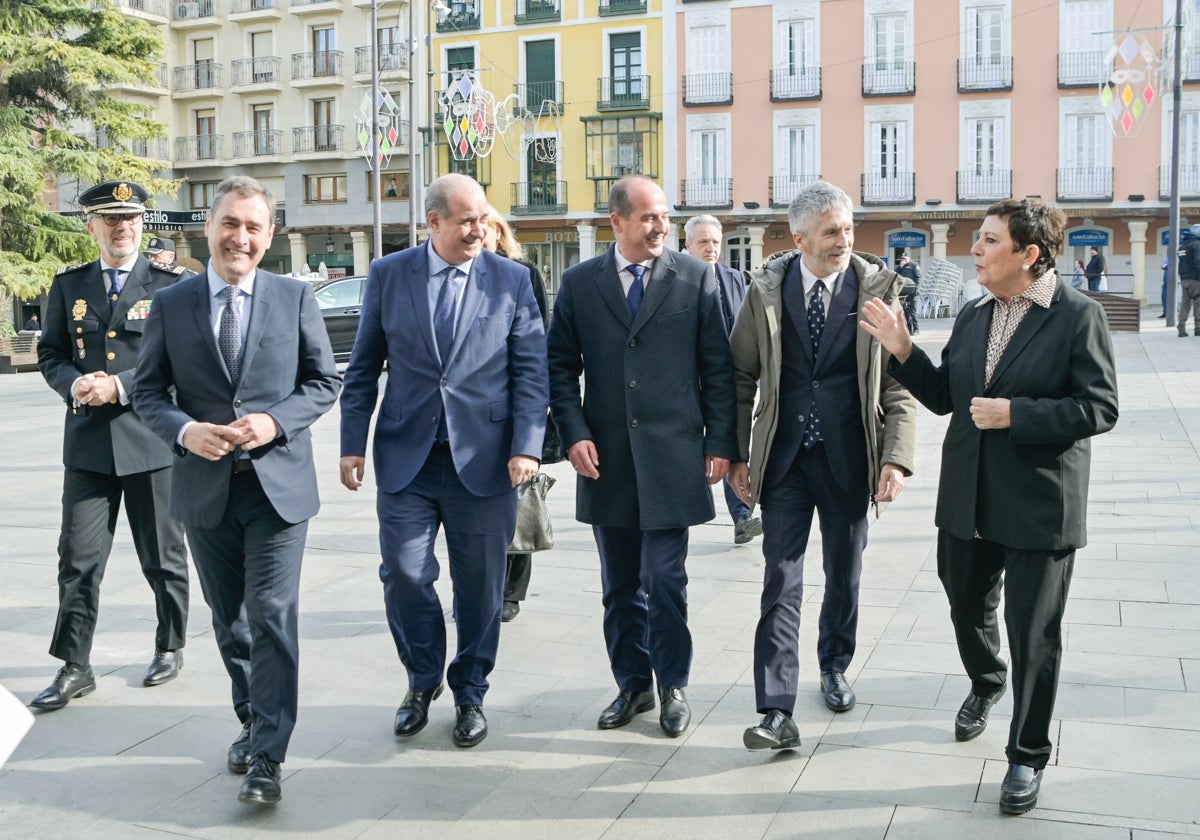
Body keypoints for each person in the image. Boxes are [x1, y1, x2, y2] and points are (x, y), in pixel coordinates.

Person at [860, 197, 1119, 815]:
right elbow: (947, 397)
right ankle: (986, 680)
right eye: (977, 238)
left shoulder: (1077, 315)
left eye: (989, 240)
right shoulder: (975, 314)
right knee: (964, 603)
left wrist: (1018, 415)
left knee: (1036, 634)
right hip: (968, 498)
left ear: (1029, 255)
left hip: (1038, 504)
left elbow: (1100, 407)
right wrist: (903, 350)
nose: (974, 249)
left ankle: (1027, 756)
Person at [132, 175, 341, 805]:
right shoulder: (173, 304)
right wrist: (185, 430)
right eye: (230, 224)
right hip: (205, 490)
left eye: (253, 227)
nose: (240, 238)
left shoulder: (294, 297)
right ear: (209, 227)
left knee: (273, 617)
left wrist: (274, 421)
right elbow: (147, 392)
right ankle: (252, 717)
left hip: (277, 491)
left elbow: (323, 382)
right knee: (231, 622)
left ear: (269, 235)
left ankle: (268, 757)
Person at [339, 173, 547, 749]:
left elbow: (531, 372)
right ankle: (422, 677)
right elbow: (362, 369)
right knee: (404, 574)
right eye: (465, 220)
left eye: (482, 217)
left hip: (485, 460)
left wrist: (527, 444)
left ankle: (471, 691)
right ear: (433, 222)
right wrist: (351, 442)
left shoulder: (512, 280)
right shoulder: (389, 275)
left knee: (481, 586)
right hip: (407, 457)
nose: (479, 229)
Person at [727, 181, 916, 752]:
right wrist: (738, 453)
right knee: (780, 582)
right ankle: (776, 710)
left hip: (849, 460)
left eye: (849, 229)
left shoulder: (878, 292)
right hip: (783, 461)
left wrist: (895, 460)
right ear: (799, 235)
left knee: (844, 574)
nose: (845, 241)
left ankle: (834, 664)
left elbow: (898, 388)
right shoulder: (764, 292)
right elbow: (739, 377)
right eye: (832, 231)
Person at [547, 174, 737, 738]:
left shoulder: (695, 279)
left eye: (665, 218)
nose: (661, 227)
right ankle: (631, 684)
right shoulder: (581, 284)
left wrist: (722, 443)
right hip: (605, 460)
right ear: (618, 222)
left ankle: (672, 683)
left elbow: (719, 371)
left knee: (665, 577)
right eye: (650, 217)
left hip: (675, 456)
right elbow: (559, 368)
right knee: (619, 584)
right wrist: (573, 430)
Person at [33, 180, 191, 712]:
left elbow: (182, 368)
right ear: (91, 226)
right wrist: (72, 384)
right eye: (109, 219)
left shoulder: (170, 286)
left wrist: (118, 386)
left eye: (129, 218)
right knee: (77, 559)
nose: (121, 227)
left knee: (163, 557)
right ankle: (74, 666)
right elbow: (52, 350)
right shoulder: (69, 285)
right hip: (88, 445)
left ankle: (170, 646)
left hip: (150, 441)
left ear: (143, 224)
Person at [482, 206, 560, 624]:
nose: (484, 234)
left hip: (517, 407)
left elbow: (537, 341)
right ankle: (481, 588)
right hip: (477, 415)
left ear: (500, 232)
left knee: (520, 500)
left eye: (492, 227)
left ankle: (511, 592)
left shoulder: (523, 273)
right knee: (482, 508)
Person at [683, 214, 762, 545]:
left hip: (727, 380)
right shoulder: (677, 282)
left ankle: (741, 515)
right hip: (687, 381)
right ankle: (678, 512)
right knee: (688, 447)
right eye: (703, 242)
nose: (711, 248)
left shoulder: (734, 278)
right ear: (687, 246)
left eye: (715, 241)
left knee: (730, 443)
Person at [1176, 223, 1200, 337]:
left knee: (1185, 304)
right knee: (1198, 304)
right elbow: (1198, 262)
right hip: (1195, 279)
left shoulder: (1182, 246)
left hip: (1184, 279)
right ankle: (1198, 328)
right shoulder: (1197, 244)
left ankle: (1181, 327)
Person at [895, 251, 921, 335]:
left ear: (909, 258)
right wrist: (900, 266)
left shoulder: (914, 265)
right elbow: (894, 274)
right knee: (905, 311)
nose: (903, 260)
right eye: (902, 258)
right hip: (903, 292)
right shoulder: (900, 267)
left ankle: (916, 328)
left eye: (905, 258)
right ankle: (909, 329)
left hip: (912, 291)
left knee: (912, 310)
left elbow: (918, 277)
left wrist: (916, 288)